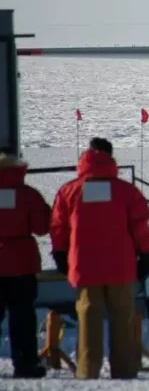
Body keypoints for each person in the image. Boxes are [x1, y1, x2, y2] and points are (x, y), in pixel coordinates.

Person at [50, 137, 149, 379]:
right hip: (121, 266)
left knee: (88, 319)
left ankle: (88, 370)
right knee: (122, 318)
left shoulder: (69, 191)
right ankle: (125, 370)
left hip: (85, 266)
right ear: (110, 157)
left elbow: (58, 227)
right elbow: (140, 227)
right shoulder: (126, 191)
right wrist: (146, 254)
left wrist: (60, 254)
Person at [0, 148, 50, 378]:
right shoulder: (29, 194)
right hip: (22, 262)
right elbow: (41, 227)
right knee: (23, 317)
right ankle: (26, 364)